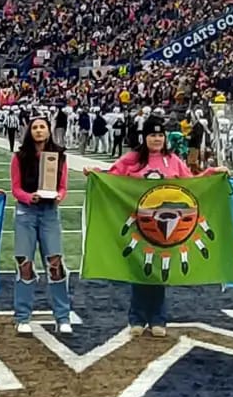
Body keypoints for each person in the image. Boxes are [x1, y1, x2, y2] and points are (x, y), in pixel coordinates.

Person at [87, 116, 222, 337]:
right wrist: (95, 174)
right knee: (140, 270)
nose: (157, 139)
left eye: (160, 135)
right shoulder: (132, 160)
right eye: (153, 135)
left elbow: (191, 184)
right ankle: (137, 318)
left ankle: (158, 319)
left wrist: (210, 175)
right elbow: (112, 178)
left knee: (159, 272)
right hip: (139, 224)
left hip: (167, 228)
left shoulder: (174, 160)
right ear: (145, 136)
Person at [9, 115, 71, 336]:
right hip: (26, 213)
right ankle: (22, 317)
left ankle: (62, 316)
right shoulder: (19, 157)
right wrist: (29, 197)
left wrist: (59, 197)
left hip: (49, 213)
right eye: (34, 127)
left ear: (48, 130)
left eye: (42, 127)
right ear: (29, 131)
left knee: (55, 265)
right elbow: (15, 188)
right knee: (24, 264)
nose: (38, 131)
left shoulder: (59, 156)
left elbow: (63, 186)